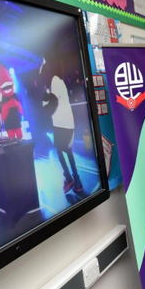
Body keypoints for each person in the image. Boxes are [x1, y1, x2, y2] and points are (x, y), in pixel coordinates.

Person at [41, 58, 83, 195]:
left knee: (59, 150)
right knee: (67, 150)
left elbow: (51, 104)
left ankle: (70, 178)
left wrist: (43, 105)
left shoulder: (54, 81)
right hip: (66, 123)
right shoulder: (58, 81)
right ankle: (76, 181)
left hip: (61, 124)